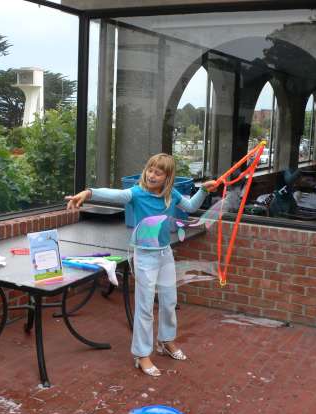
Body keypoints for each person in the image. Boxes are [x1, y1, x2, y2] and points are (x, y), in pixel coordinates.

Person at [66, 153, 217, 377]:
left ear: (167, 178)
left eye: (158, 173)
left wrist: (204, 189)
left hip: (165, 253)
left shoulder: (171, 195)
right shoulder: (137, 193)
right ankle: (142, 354)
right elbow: (114, 194)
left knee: (169, 301)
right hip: (144, 256)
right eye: (150, 170)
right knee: (145, 307)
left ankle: (166, 341)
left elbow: (190, 206)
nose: (151, 175)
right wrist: (88, 193)